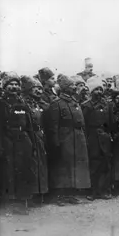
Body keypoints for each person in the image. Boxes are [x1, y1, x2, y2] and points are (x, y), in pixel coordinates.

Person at [47, 75, 91, 206]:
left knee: (74, 166)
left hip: (78, 137)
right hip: (65, 138)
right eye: (72, 85)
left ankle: (70, 194)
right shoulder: (57, 103)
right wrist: (56, 142)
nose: (74, 87)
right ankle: (60, 195)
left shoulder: (75, 102)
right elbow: (53, 126)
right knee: (63, 166)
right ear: (65, 88)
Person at [0, 72, 35, 214]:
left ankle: (21, 202)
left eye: (16, 84)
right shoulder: (0, 103)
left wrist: (32, 144)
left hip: (23, 140)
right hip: (7, 140)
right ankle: (8, 203)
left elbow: (29, 125)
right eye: (10, 85)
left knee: (23, 170)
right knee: (8, 171)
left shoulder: (22, 103)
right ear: (5, 87)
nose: (13, 87)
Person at [81, 77, 112, 201]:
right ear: (91, 91)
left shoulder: (107, 105)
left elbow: (110, 123)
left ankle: (104, 190)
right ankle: (93, 191)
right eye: (96, 89)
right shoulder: (86, 106)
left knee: (105, 164)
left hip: (104, 136)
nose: (99, 92)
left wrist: (109, 135)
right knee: (94, 165)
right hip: (92, 137)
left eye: (100, 89)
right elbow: (84, 124)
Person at [20, 76, 49, 203]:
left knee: (41, 164)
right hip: (30, 136)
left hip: (40, 136)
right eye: (35, 88)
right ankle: (32, 194)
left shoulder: (39, 103)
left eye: (39, 88)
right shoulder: (23, 103)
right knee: (32, 164)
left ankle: (41, 193)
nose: (38, 91)